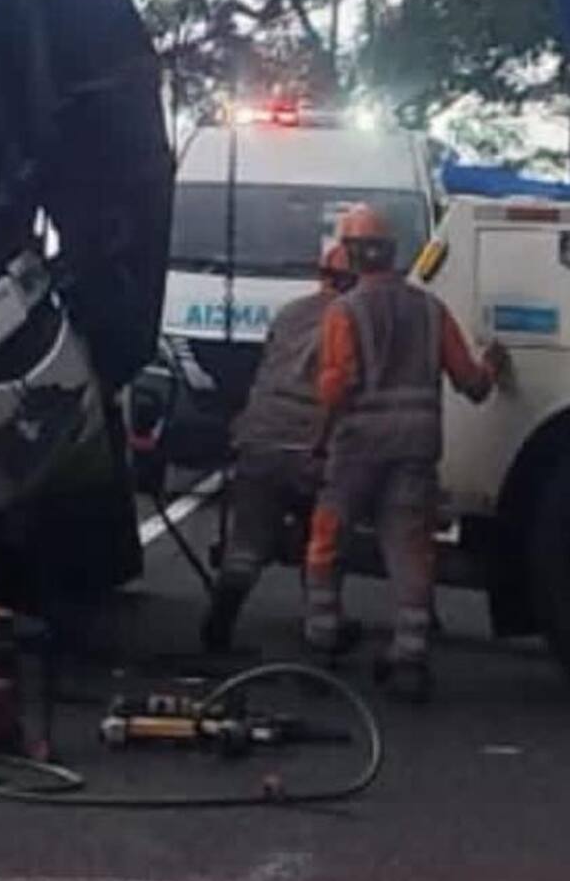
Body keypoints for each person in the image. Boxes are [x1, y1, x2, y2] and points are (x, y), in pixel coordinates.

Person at [304, 203, 508, 703]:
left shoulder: (343, 312)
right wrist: (493, 368)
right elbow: (471, 383)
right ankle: (410, 654)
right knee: (410, 546)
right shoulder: (430, 310)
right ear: (393, 253)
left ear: (350, 255)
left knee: (329, 535)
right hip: (416, 448)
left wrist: (320, 439)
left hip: (357, 448)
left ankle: (323, 635)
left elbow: (336, 387)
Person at [201, 242, 356, 653]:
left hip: (260, 436)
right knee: (320, 545)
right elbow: (347, 386)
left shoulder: (290, 313)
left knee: (247, 542)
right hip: (311, 443)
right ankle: (322, 632)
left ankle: (220, 620)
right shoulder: (355, 319)